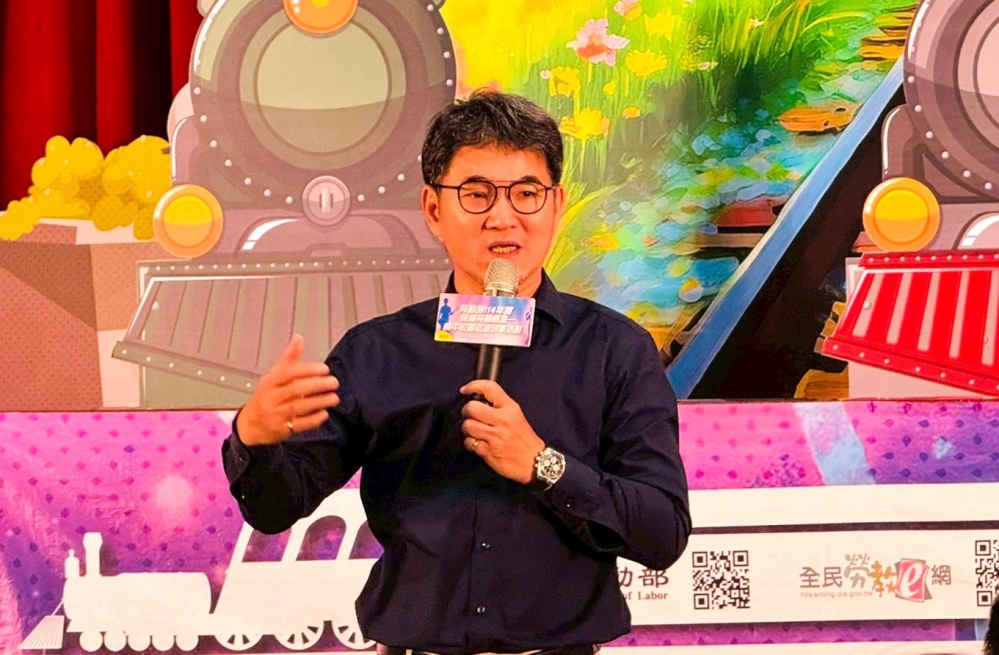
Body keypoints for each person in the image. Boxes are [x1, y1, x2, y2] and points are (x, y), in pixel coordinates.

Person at [222, 90, 691, 655]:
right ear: (433, 209)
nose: (503, 217)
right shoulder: (377, 352)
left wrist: (544, 466)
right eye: (476, 194)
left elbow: (662, 533)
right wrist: (255, 437)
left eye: (526, 194)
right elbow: (274, 509)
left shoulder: (615, 350)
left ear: (556, 205)